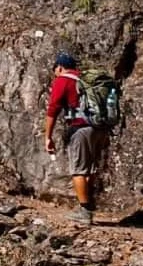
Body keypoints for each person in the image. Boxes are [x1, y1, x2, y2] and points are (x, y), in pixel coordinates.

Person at [44, 52, 107, 225]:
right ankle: (87, 205)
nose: (55, 72)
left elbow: (53, 109)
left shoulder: (63, 80)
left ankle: (84, 211)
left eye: (55, 69)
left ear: (60, 67)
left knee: (78, 170)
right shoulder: (87, 79)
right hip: (101, 128)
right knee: (90, 168)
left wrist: (48, 137)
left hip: (81, 128)